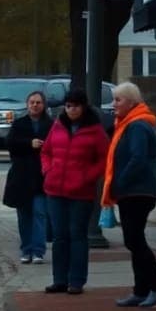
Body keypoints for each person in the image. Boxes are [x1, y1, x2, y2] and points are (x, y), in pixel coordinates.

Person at [101, 82, 156, 308]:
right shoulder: (128, 124)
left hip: (137, 192)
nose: (114, 105)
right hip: (132, 191)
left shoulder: (137, 126)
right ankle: (141, 290)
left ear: (131, 102)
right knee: (134, 240)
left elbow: (137, 159)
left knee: (134, 240)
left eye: (118, 100)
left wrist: (119, 183)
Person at [41, 88, 108, 295]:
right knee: (59, 237)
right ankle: (59, 279)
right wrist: (48, 170)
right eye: (68, 106)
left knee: (77, 235)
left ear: (83, 106)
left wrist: (86, 177)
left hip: (81, 193)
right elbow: (46, 151)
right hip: (55, 190)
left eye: (75, 106)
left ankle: (76, 280)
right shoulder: (58, 125)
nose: (71, 110)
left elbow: (104, 159)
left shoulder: (95, 130)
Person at [4, 91, 54, 264]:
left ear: (43, 105)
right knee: (24, 215)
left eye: (38, 102)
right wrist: (29, 143)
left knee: (40, 213)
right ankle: (26, 249)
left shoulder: (51, 125)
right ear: (27, 104)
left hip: (41, 177)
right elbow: (10, 143)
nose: (35, 105)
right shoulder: (19, 124)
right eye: (32, 102)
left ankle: (38, 251)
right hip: (21, 178)